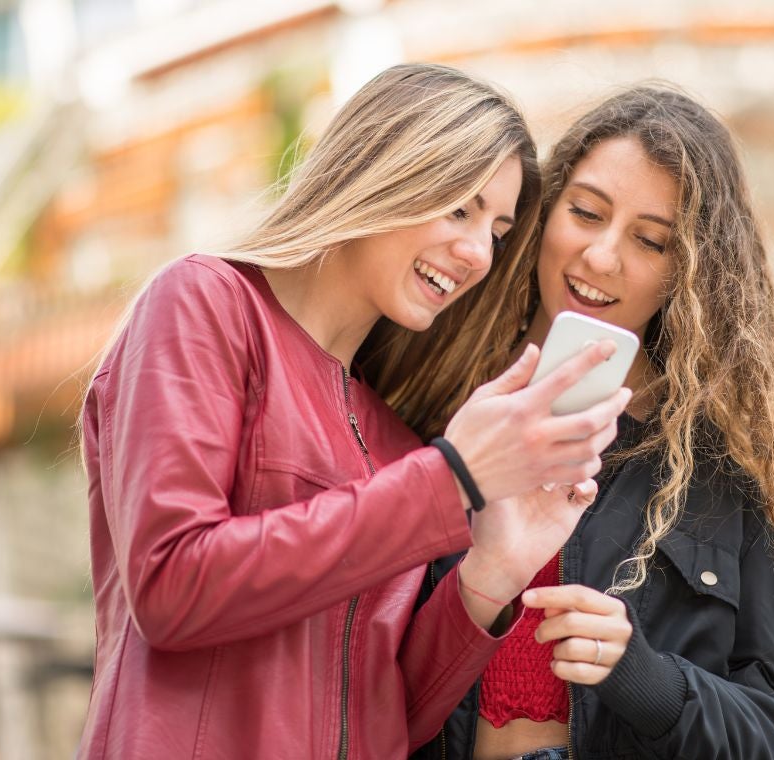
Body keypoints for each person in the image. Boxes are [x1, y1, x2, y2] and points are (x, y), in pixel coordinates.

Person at [76, 64, 631, 759]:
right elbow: (172, 587)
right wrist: (452, 476)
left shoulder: (394, 439)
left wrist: (493, 569)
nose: (477, 254)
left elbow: (388, 713)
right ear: (383, 170)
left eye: (498, 229)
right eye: (459, 208)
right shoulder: (204, 306)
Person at [366, 84, 774, 759]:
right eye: (585, 213)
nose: (602, 256)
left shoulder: (718, 477)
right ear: (544, 211)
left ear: (689, 273)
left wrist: (651, 683)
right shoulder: (427, 407)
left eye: (651, 241)